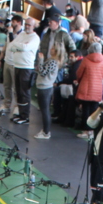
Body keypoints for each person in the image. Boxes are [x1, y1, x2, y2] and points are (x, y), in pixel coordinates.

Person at [35, 11, 75, 140]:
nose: (49, 24)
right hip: (47, 62)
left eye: (51, 22)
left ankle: (55, 112)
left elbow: (72, 47)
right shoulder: (46, 33)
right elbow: (42, 46)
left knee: (55, 89)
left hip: (54, 65)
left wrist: (65, 61)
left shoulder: (63, 34)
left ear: (57, 23)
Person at [5, 15, 40, 125]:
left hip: (26, 68)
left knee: (25, 92)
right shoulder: (22, 34)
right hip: (17, 66)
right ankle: (20, 113)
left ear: (34, 26)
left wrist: (18, 46)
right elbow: (10, 46)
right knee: (18, 91)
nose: (27, 26)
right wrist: (20, 46)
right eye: (26, 24)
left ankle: (25, 116)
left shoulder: (35, 38)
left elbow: (25, 47)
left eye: (29, 25)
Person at [74, 43, 103, 132]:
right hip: (98, 88)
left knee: (85, 109)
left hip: (86, 87)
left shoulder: (86, 60)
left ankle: (85, 129)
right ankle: (92, 129)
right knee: (94, 110)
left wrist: (79, 80)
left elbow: (79, 73)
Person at [0, 13, 23, 115]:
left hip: (15, 64)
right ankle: (6, 105)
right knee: (7, 85)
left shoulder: (22, 35)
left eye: (14, 22)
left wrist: (11, 33)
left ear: (19, 23)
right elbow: (6, 46)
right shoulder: (9, 33)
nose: (12, 24)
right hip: (7, 61)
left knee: (15, 87)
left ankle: (17, 107)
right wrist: (0, 59)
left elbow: (13, 44)